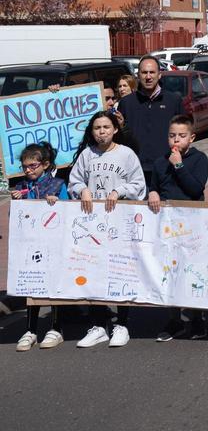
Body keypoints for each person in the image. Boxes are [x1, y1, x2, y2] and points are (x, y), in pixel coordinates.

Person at [68, 111, 146, 348]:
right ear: (91, 132)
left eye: (106, 127)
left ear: (114, 129)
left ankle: (122, 323)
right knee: (94, 270)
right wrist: (82, 189)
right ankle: (99, 324)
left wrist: (119, 191)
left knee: (119, 269)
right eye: (97, 128)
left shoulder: (126, 154)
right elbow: (74, 180)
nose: (101, 131)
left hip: (118, 221)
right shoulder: (86, 155)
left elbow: (139, 184)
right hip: (92, 224)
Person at [147, 115, 208, 342]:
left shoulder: (199, 159)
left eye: (182, 136)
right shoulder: (160, 161)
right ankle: (174, 319)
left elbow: (195, 189)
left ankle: (197, 318)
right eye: (172, 135)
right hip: (167, 225)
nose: (176, 140)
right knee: (170, 271)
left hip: (192, 224)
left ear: (191, 138)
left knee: (191, 270)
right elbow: (155, 186)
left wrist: (179, 165)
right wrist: (151, 192)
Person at [12, 142, 67, 351]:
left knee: (54, 285)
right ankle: (30, 329)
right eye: (25, 167)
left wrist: (57, 202)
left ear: (45, 164)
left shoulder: (58, 185)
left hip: (53, 244)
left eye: (32, 166)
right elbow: (15, 220)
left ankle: (56, 327)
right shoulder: (20, 187)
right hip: (29, 245)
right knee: (30, 286)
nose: (28, 170)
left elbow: (68, 212)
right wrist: (17, 202)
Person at [117, 55, 184, 183]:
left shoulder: (174, 101)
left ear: (159, 75)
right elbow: (119, 138)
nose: (148, 77)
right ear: (138, 75)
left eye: (152, 72)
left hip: (166, 168)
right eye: (144, 72)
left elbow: (184, 134)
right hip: (134, 170)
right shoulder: (126, 103)